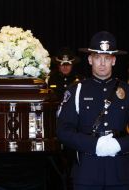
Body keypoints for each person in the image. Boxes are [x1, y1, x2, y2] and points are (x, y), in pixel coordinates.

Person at [57, 31, 129, 190]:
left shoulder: (127, 90)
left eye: (107, 58)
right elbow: (63, 131)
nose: (102, 63)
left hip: (120, 172)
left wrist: (120, 144)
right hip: (86, 172)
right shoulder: (77, 90)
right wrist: (94, 144)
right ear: (90, 59)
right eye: (97, 57)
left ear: (114, 60)